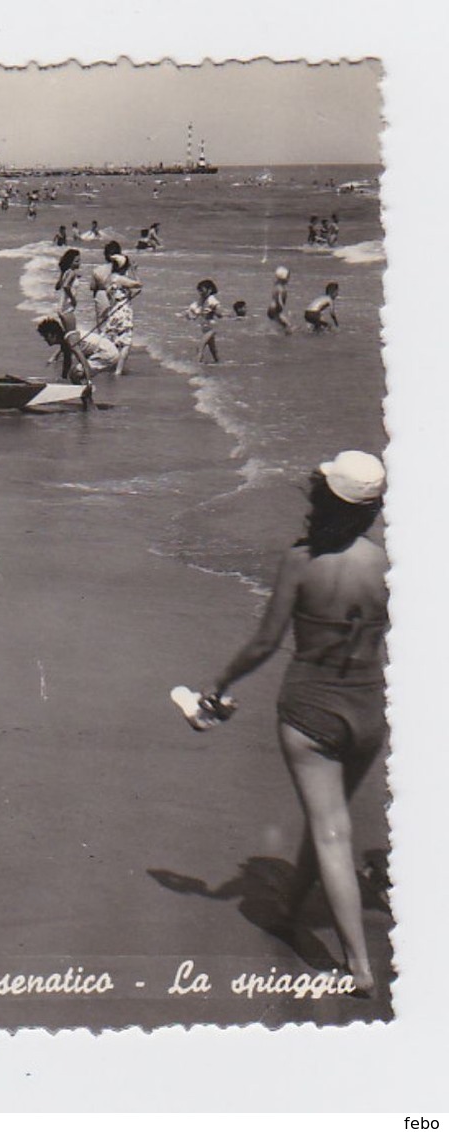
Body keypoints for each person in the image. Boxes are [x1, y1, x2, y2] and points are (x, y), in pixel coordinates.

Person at [201, 451, 387, 996]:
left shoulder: (302, 560)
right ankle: (288, 910)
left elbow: (265, 642)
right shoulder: (387, 565)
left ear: (325, 498)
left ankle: (358, 966)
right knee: (327, 816)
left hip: (311, 709)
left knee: (331, 831)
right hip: (369, 709)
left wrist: (220, 685)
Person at [36, 312, 114, 387]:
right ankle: (84, 394)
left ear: (51, 335)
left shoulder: (70, 340)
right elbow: (67, 363)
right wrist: (62, 380)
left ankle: (86, 393)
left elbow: (83, 361)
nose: (45, 340)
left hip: (107, 353)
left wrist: (88, 381)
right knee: (74, 374)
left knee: (75, 373)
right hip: (104, 351)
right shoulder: (64, 342)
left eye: (45, 337)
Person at [101, 255, 142, 376]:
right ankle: (118, 370)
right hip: (123, 312)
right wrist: (134, 271)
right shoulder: (120, 279)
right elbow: (139, 284)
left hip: (114, 311)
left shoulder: (110, 278)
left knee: (112, 340)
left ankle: (108, 366)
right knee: (125, 342)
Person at [184, 278, 223, 364]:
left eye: (202, 291)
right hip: (205, 328)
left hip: (212, 328)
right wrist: (189, 315)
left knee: (200, 346)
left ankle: (196, 366)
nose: (200, 293)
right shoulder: (201, 301)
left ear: (209, 290)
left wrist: (214, 311)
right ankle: (219, 363)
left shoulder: (212, 300)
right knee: (213, 350)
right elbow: (195, 312)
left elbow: (219, 314)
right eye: (199, 291)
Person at [54, 248, 81, 314]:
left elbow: (57, 287)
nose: (79, 263)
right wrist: (73, 300)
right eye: (76, 261)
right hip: (68, 306)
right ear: (70, 262)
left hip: (62, 305)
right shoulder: (72, 273)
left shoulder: (65, 272)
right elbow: (66, 286)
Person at [267, 266, 293, 334]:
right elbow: (279, 299)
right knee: (288, 325)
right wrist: (282, 308)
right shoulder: (281, 288)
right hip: (275, 310)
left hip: (272, 309)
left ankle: (277, 334)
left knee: (283, 325)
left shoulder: (277, 286)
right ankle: (285, 339)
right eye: (288, 277)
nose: (289, 279)